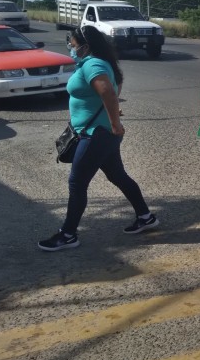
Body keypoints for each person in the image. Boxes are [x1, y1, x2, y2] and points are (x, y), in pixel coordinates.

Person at [38, 26, 157, 251]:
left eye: (73, 46)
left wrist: (114, 122)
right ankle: (145, 217)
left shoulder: (93, 64)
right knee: (118, 176)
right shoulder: (96, 62)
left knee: (77, 182)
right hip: (100, 133)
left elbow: (109, 93)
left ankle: (68, 234)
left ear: (86, 45)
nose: (71, 49)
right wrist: (109, 115)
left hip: (96, 135)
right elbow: (115, 85)